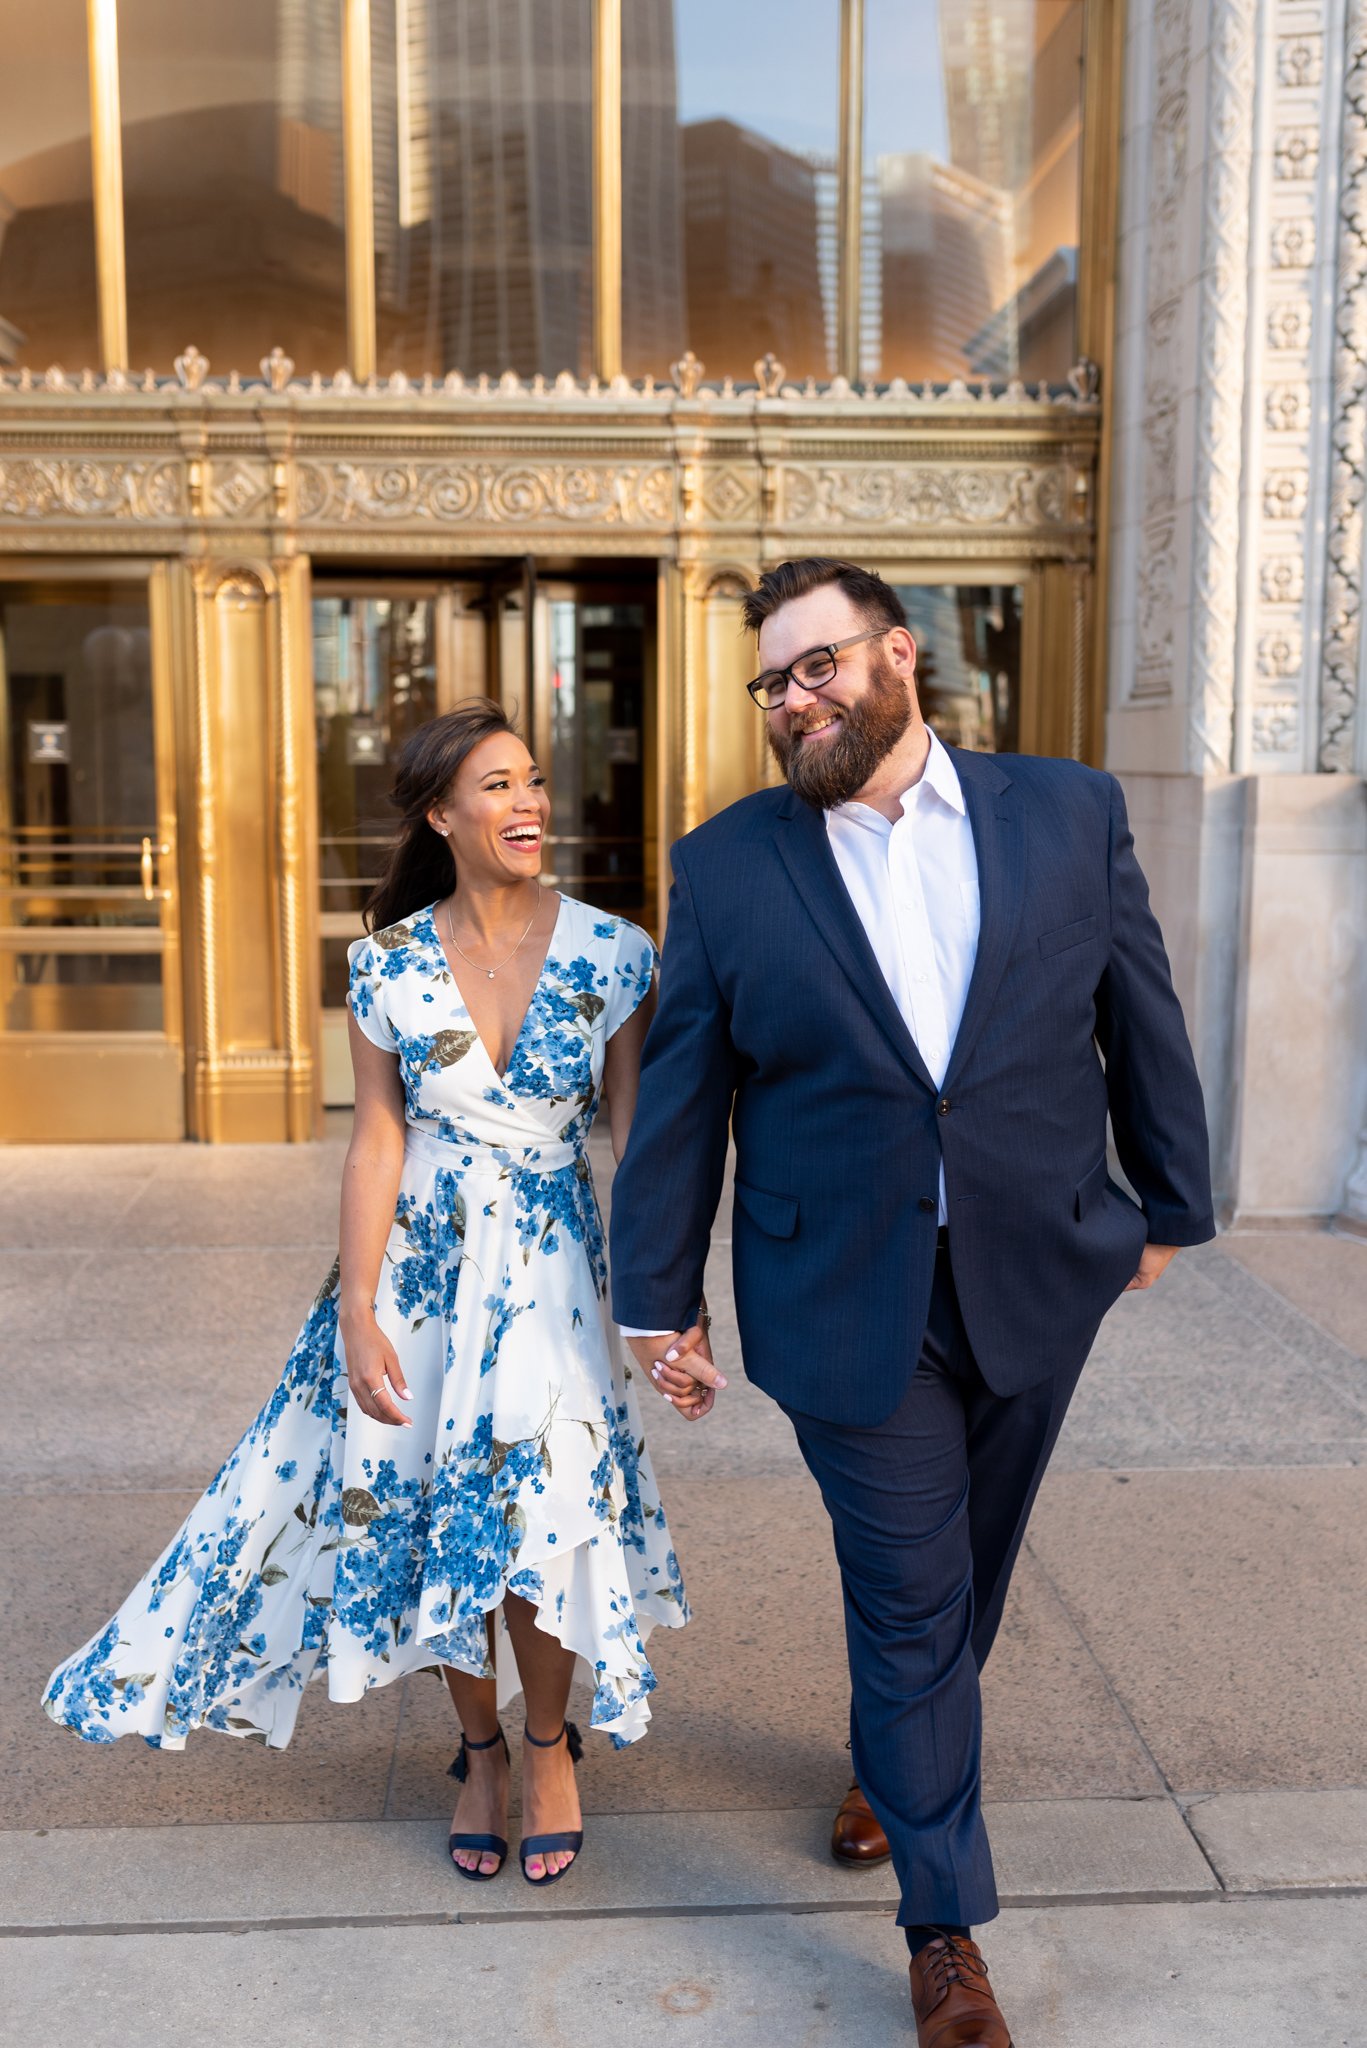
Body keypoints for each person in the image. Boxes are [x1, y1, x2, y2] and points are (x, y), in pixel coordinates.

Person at [610, 560, 1214, 2044]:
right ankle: (944, 1935)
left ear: (896, 657)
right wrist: (654, 1296)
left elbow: (1134, 1007)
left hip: (1036, 1265)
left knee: (967, 1571)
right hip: (837, 1292)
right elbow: (684, 1092)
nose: (791, 699)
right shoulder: (730, 863)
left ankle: (893, 1763)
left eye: (814, 667)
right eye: (770, 682)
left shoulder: (1064, 812)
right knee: (907, 1592)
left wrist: (1168, 1207)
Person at [43, 699, 687, 1888]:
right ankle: (479, 1749)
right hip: (426, 1273)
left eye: (533, 779)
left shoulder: (616, 950)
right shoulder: (385, 963)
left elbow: (638, 1136)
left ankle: (549, 1750)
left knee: (544, 1517)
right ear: (439, 813)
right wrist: (357, 1307)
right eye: (494, 786)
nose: (527, 802)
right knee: (436, 1511)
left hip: (550, 1274)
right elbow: (376, 1144)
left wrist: (666, 1301)